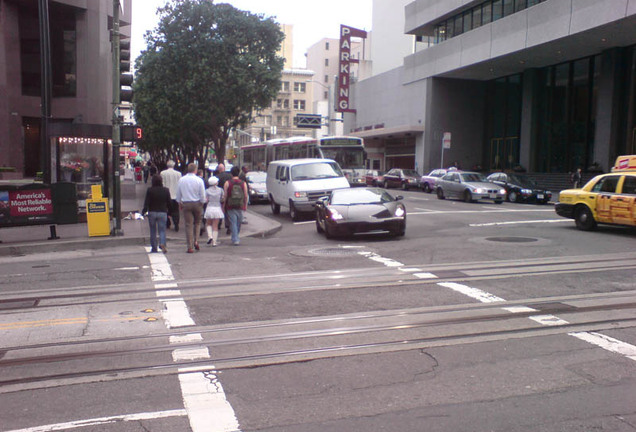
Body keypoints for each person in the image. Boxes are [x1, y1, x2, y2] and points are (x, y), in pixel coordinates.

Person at [176, 163, 206, 253]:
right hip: (197, 203)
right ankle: (196, 240)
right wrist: (202, 202)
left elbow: (178, 193)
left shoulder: (182, 180)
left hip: (186, 203)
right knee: (197, 223)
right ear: (195, 170)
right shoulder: (199, 180)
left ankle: (190, 246)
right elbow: (202, 194)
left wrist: (179, 202)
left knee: (188, 224)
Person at [142, 174, 172, 254]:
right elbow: (169, 202)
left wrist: (144, 211)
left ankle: (154, 247)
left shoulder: (150, 190)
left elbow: (147, 202)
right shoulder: (166, 190)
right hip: (162, 212)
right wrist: (170, 212)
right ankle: (162, 243)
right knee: (162, 230)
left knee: (152, 230)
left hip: (152, 212)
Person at [223, 166, 248, 246]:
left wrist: (223, 206)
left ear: (231, 173)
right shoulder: (243, 183)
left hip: (230, 205)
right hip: (240, 205)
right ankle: (236, 236)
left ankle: (235, 238)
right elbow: (246, 195)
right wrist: (245, 205)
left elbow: (225, 196)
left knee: (233, 222)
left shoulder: (227, 183)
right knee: (238, 222)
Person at [160, 160, 182, 232]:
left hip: (166, 195)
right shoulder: (179, 174)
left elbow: (162, 184)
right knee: (176, 211)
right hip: (175, 195)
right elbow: (180, 185)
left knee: (165, 210)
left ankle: (168, 223)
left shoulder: (163, 173)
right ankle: (176, 224)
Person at [204, 176, 224, 246]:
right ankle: (214, 242)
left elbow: (205, 200)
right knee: (215, 226)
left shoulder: (207, 191)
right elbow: (222, 199)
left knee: (208, 224)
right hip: (217, 208)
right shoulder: (220, 190)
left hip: (209, 208)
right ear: (216, 183)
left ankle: (210, 236)